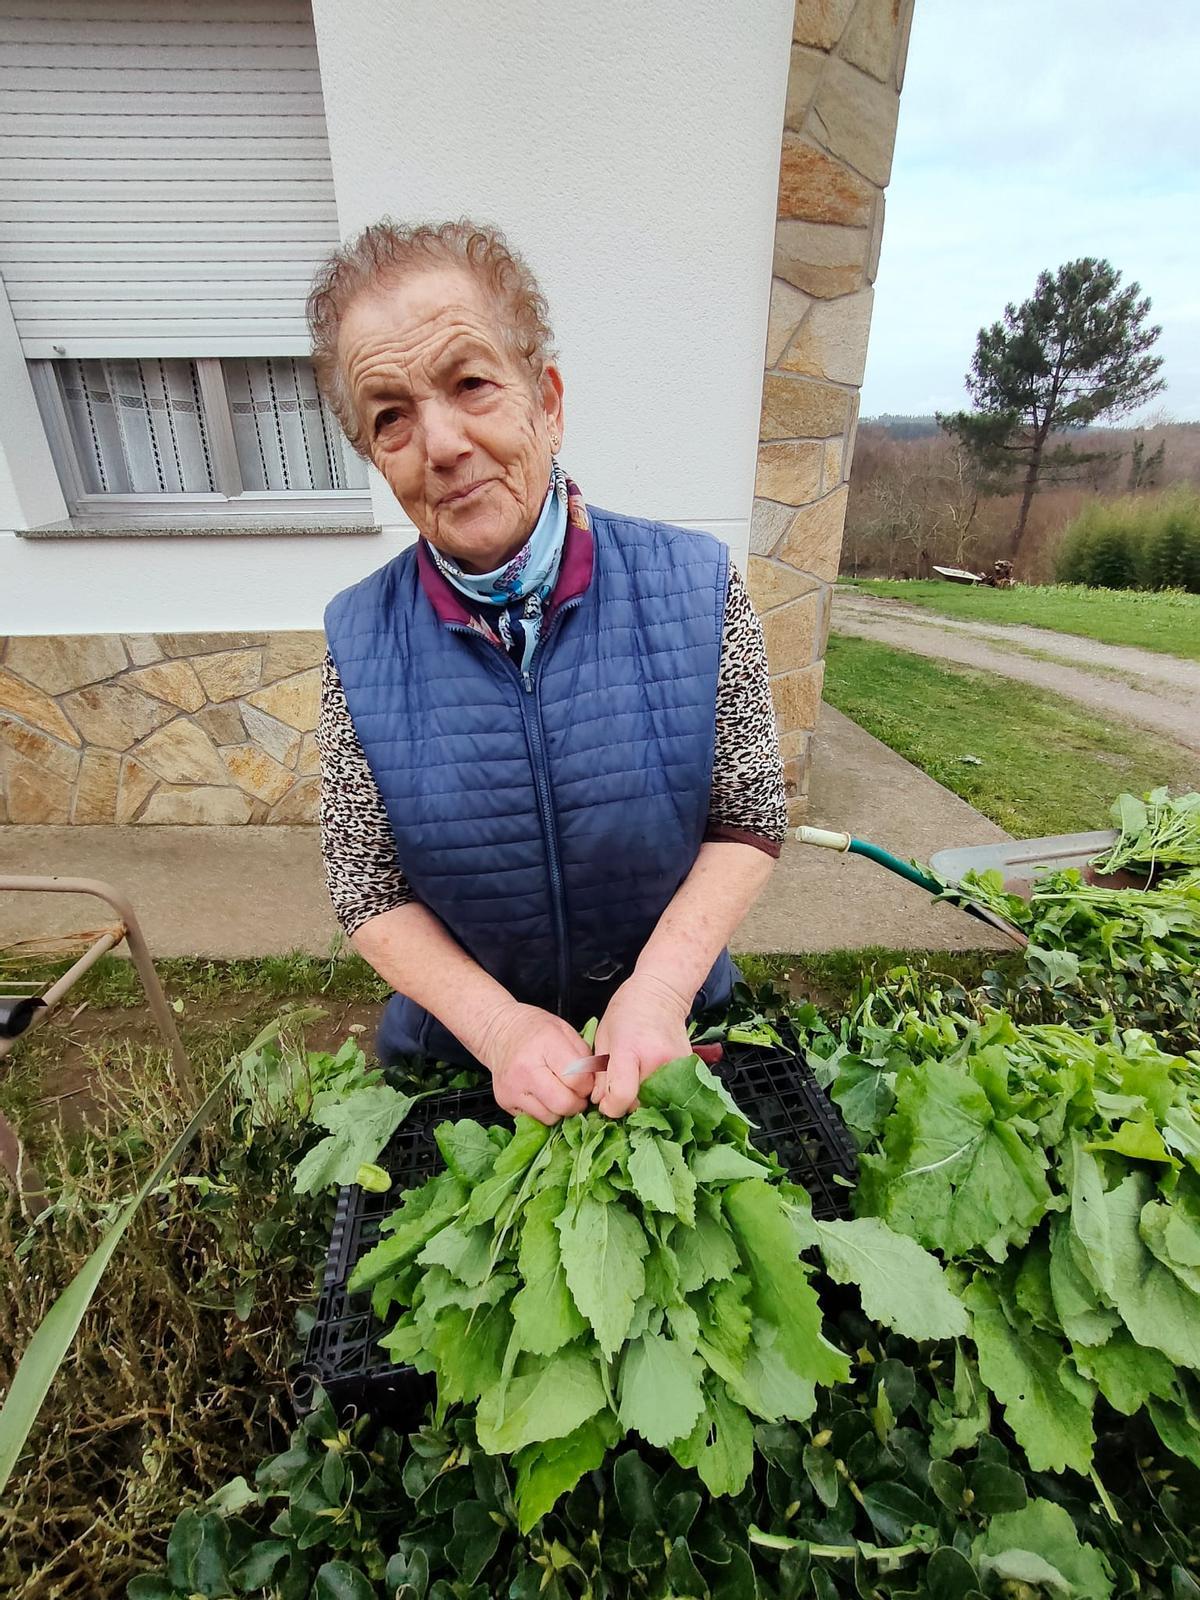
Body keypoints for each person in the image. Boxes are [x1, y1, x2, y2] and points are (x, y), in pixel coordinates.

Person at [311, 219, 787, 1124]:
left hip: (664, 1045)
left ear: (548, 401)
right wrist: (495, 1029)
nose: (442, 443)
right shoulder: (358, 638)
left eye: (471, 384)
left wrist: (657, 993)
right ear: (377, 457)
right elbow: (365, 883)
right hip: (462, 1070)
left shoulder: (696, 587)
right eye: (392, 417)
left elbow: (748, 818)